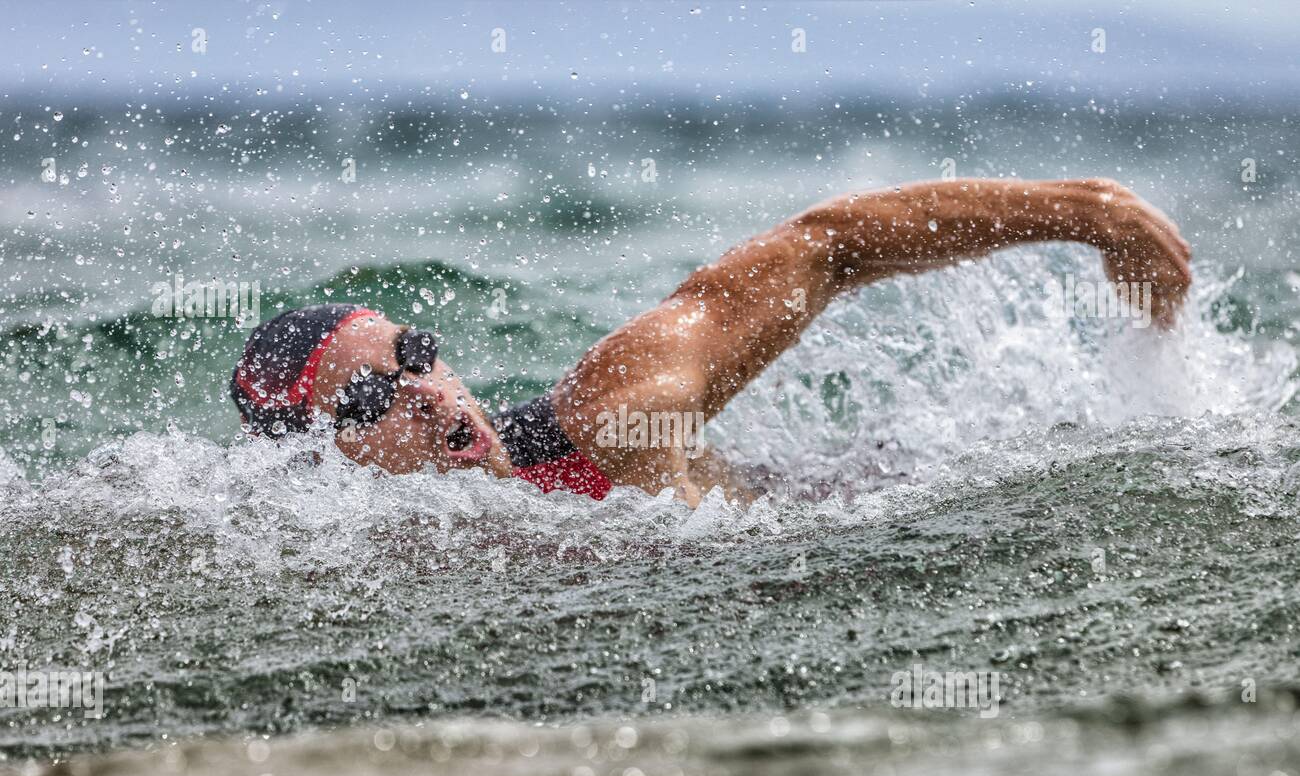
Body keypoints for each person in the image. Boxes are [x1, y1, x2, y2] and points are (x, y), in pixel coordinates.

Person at [230, 177, 1191, 507]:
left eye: (415, 355)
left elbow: (823, 248)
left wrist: (1089, 213)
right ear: (317, 460)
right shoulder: (334, 554)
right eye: (365, 403)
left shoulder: (612, 418)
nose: (428, 394)